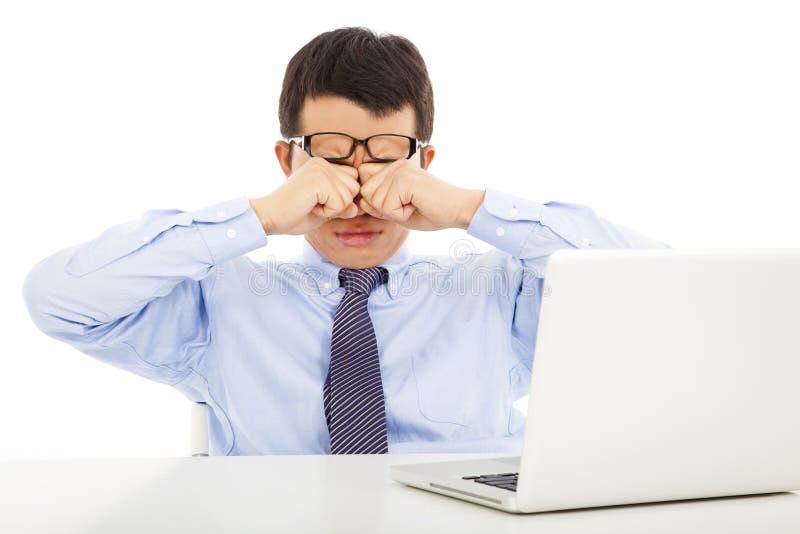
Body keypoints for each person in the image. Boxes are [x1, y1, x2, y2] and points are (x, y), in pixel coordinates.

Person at [22, 27, 670, 456]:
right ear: (287, 161)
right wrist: (260, 218)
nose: (359, 193)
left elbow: (662, 288)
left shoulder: (495, 291)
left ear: (424, 162)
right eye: (330, 158)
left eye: (387, 158)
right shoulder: (222, 303)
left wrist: (472, 209)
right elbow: (59, 298)